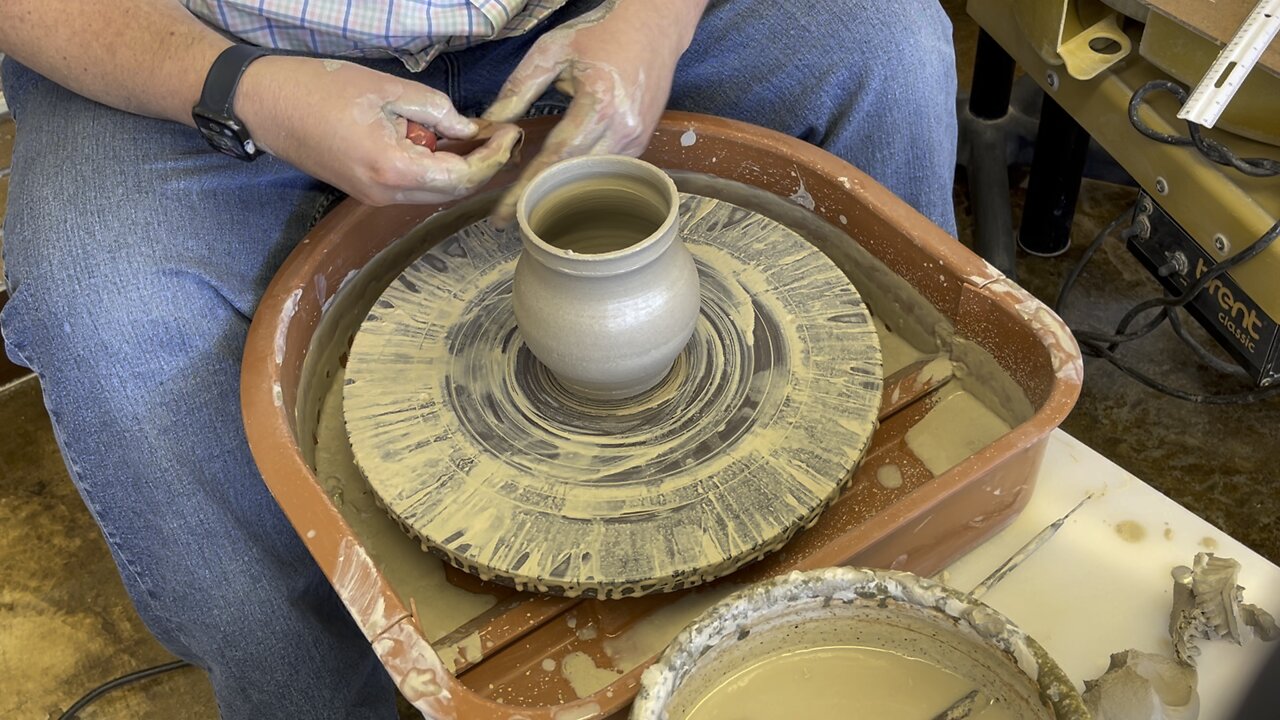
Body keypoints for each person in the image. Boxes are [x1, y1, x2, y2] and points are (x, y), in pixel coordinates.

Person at [0, 1, 957, 716]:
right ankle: (328, 696)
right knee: (109, 316)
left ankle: (890, 593)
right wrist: (238, 88)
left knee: (885, 54)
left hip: (584, 12)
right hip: (216, 49)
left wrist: (654, 23)